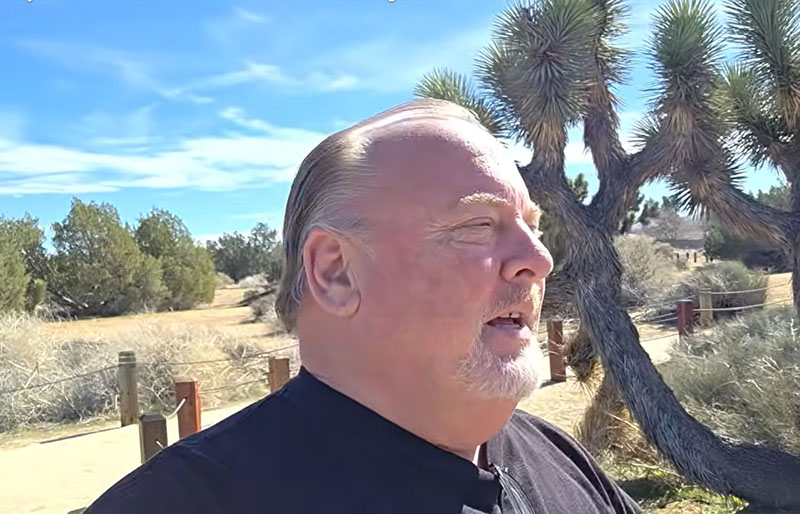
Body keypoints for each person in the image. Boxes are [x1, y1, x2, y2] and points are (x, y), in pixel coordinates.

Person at [84, 99, 642, 514]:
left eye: (532, 226)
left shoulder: (560, 459)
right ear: (335, 271)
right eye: (478, 225)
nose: (538, 258)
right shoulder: (184, 503)